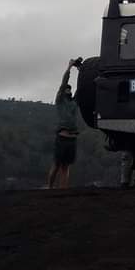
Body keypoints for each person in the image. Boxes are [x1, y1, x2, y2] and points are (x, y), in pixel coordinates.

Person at [47, 59, 81, 189]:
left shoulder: (73, 102)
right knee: (56, 165)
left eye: (69, 89)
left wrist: (80, 70)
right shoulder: (60, 100)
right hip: (62, 137)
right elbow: (63, 83)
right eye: (67, 88)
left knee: (66, 167)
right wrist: (69, 67)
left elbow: (81, 88)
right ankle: (49, 188)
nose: (68, 89)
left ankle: (63, 190)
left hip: (72, 138)